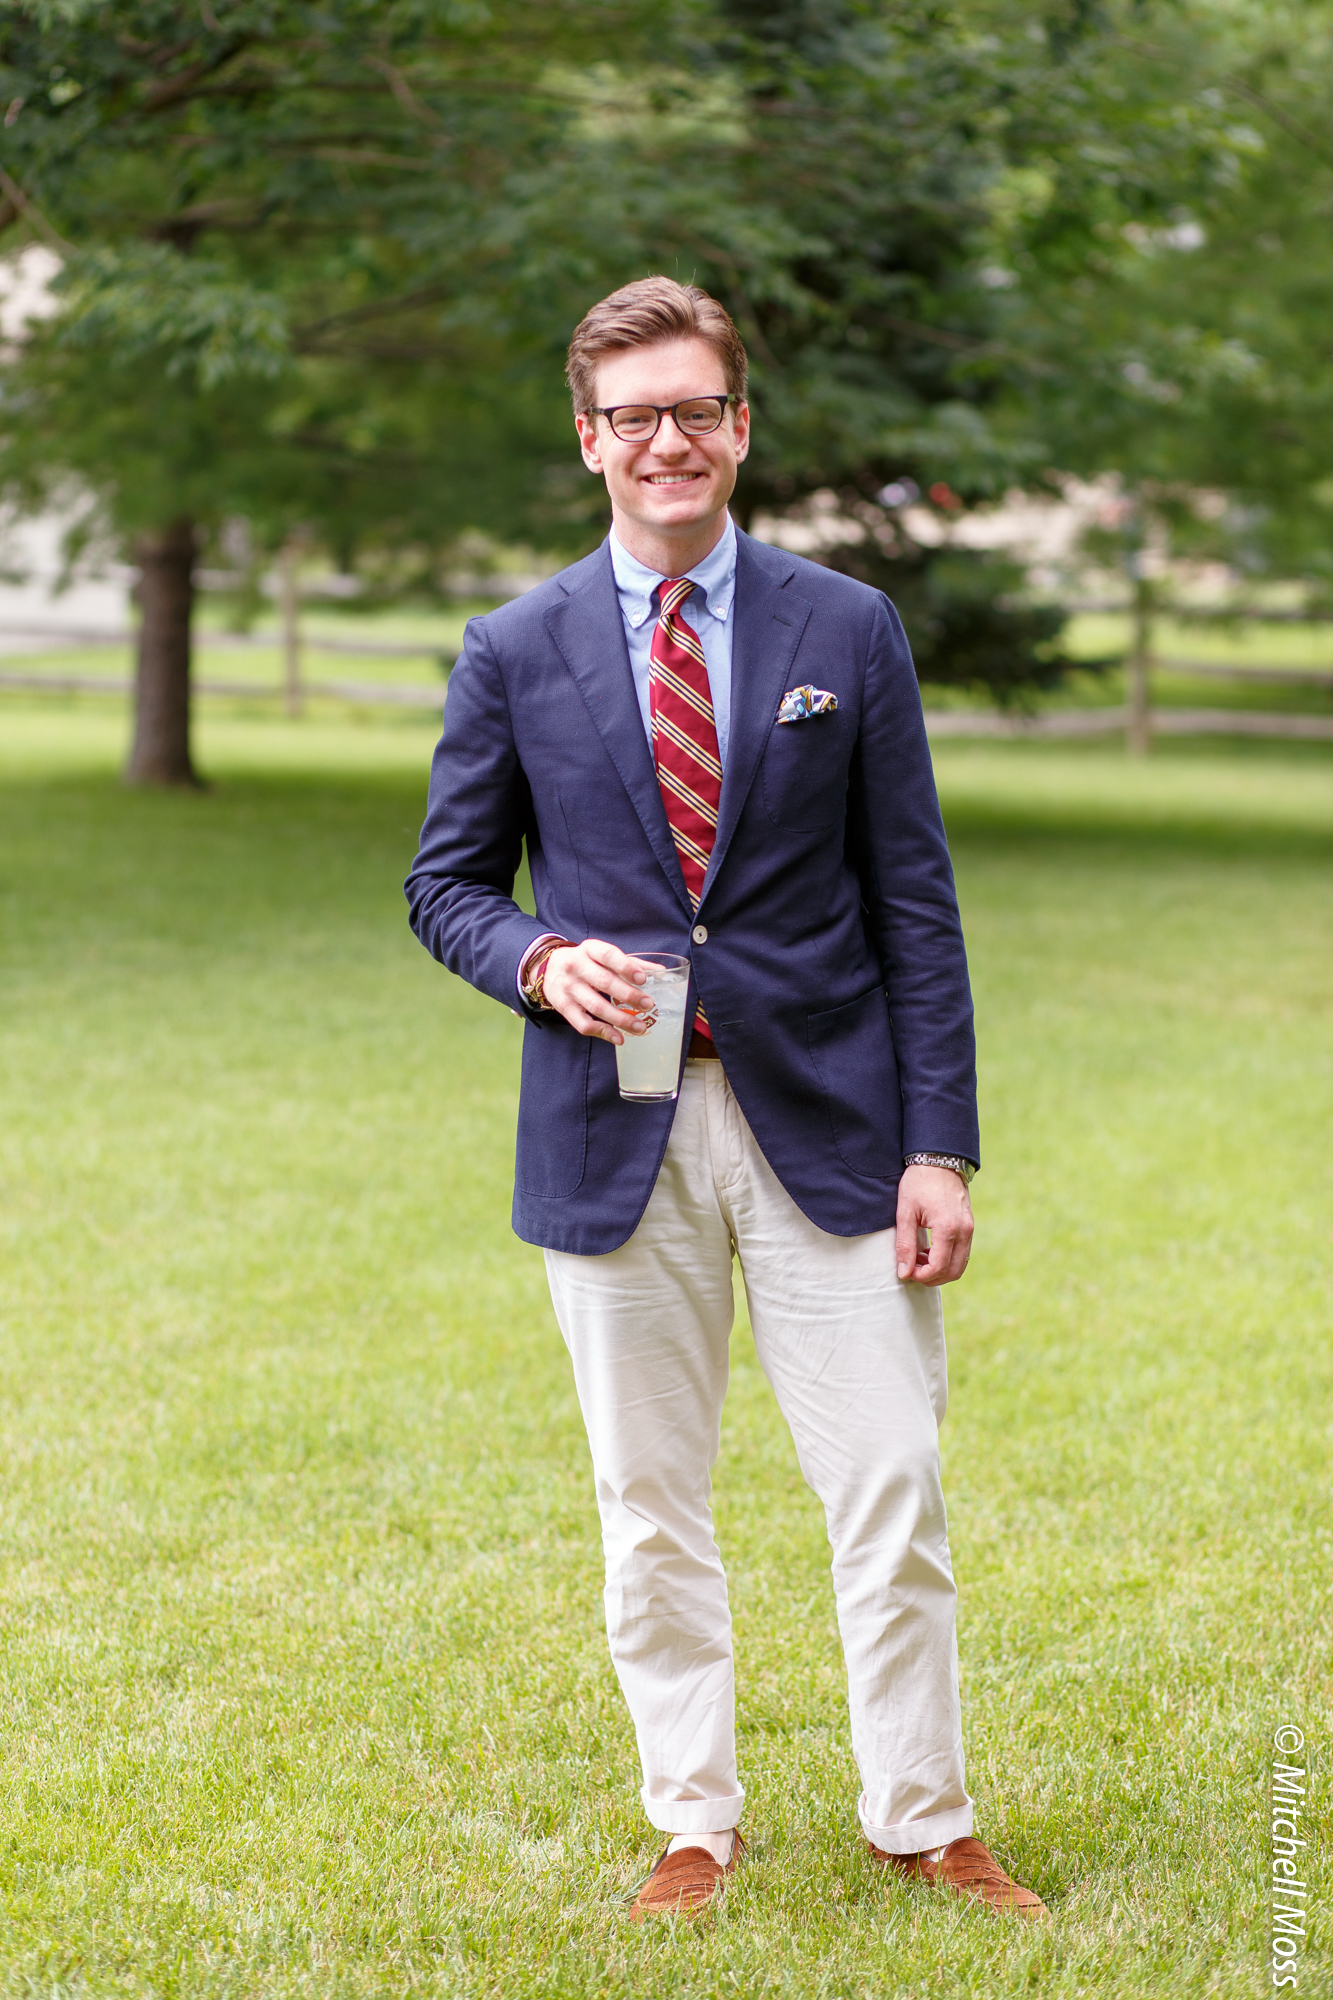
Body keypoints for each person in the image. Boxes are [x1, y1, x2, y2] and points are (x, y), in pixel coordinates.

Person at [406, 277, 1046, 1921]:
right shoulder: (514, 647)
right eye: (634, 416)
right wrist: (542, 960)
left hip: (830, 1125)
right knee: (649, 1501)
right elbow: (446, 886)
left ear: (738, 427)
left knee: (889, 1480)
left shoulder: (847, 629)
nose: (667, 440)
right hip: (612, 1129)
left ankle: (923, 1816)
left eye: (697, 409)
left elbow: (914, 902)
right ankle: (693, 1823)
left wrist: (939, 1144)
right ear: (589, 442)